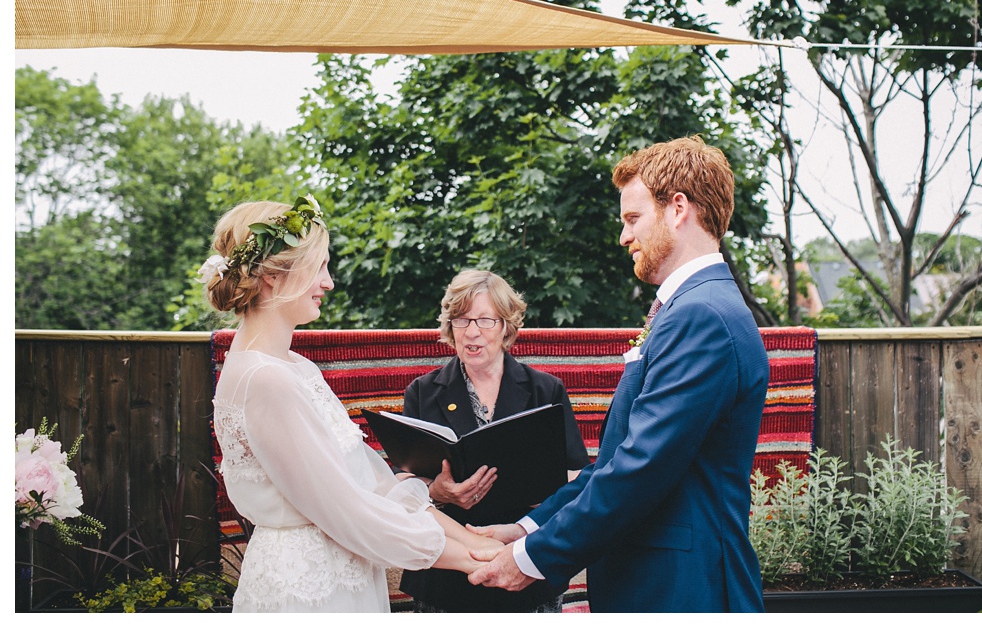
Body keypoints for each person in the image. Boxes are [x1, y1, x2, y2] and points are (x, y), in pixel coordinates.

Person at [468, 137, 770, 612]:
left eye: (633, 219)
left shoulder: (702, 316)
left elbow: (640, 469)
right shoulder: (690, 309)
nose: (624, 237)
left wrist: (528, 559)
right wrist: (529, 526)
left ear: (677, 209)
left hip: (685, 591)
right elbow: (616, 462)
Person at [202, 197, 500, 612]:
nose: (329, 282)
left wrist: (474, 539)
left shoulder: (294, 366)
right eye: (319, 266)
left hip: (343, 573)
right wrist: (474, 560)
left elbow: (372, 483)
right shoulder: (266, 378)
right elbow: (350, 513)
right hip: (308, 590)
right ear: (273, 274)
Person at [398, 269, 590, 613]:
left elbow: (577, 476)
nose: (472, 332)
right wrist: (436, 492)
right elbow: (402, 482)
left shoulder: (545, 391)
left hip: (527, 570)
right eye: (462, 320)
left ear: (506, 326)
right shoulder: (423, 392)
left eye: (485, 320)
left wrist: (537, 495)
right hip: (447, 576)